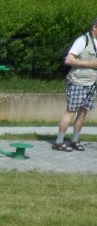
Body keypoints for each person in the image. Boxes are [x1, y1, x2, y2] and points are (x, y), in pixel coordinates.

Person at [53, 18, 97, 152]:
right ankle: (59, 141)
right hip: (78, 82)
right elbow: (69, 60)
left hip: (92, 83)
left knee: (83, 113)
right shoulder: (83, 40)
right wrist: (90, 64)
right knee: (71, 112)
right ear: (95, 27)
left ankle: (75, 140)